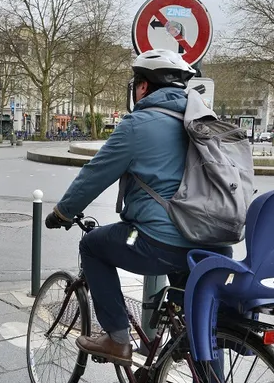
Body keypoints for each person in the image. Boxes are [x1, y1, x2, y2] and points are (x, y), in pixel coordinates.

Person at [44, 49, 203, 365]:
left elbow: (95, 174)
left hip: (159, 241)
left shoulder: (138, 124)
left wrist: (62, 212)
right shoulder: (202, 121)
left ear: (143, 87)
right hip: (208, 241)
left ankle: (117, 339)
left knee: (92, 245)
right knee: (201, 327)